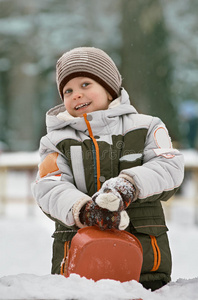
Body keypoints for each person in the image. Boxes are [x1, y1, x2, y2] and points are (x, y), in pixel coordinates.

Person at [32, 47, 184, 291]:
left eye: (85, 84)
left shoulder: (146, 127)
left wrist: (129, 185)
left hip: (145, 266)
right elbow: (49, 186)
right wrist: (83, 210)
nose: (76, 95)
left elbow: (168, 167)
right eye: (67, 90)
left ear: (109, 88)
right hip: (79, 267)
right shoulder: (54, 141)